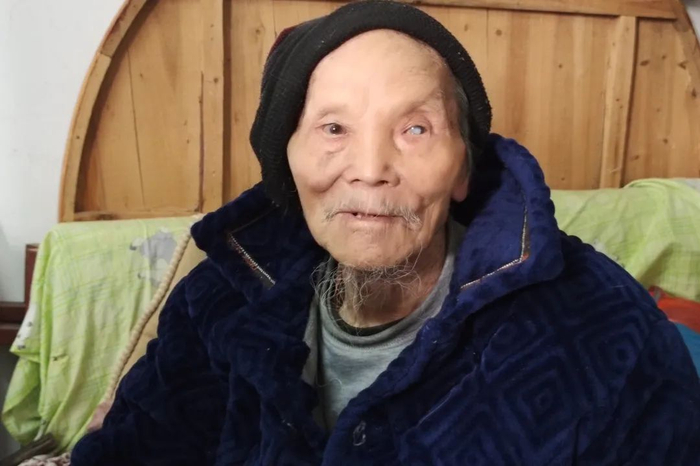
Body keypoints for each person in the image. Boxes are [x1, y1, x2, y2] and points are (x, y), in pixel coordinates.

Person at [71, 1, 700, 464]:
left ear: (464, 168)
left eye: (415, 129)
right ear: (286, 162)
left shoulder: (600, 323)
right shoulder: (218, 301)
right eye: (333, 129)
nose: (370, 169)